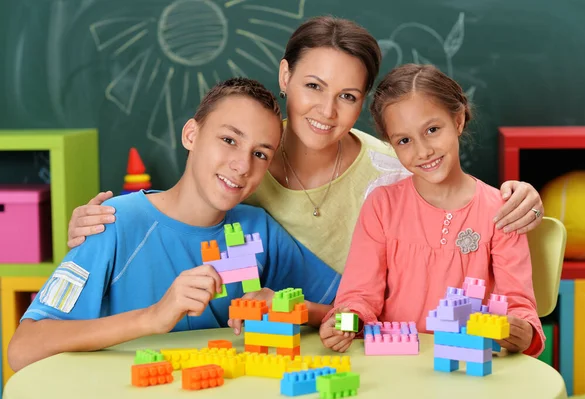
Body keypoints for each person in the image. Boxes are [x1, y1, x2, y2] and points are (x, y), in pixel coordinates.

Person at [66, 17, 545, 275]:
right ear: (285, 76)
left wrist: (521, 195)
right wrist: (98, 235)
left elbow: (458, 201)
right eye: (313, 86)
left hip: (364, 345)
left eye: (348, 97)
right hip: (258, 342)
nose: (326, 111)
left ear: (363, 105)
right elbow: (178, 225)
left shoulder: (393, 167)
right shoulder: (238, 167)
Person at [8, 78, 341, 372]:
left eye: (260, 154)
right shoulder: (112, 223)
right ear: (191, 135)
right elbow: (22, 349)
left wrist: (294, 306)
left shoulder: (258, 231)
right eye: (228, 140)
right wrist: (153, 317)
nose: (241, 165)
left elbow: (348, 312)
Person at [319, 64, 543, 357]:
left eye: (433, 130)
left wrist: (521, 332)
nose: (423, 150)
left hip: (470, 364)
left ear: (459, 121)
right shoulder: (382, 206)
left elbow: (519, 307)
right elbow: (359, 296)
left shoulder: (502, 211)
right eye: (404, 141)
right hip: (396, 362)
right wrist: (344, 323)